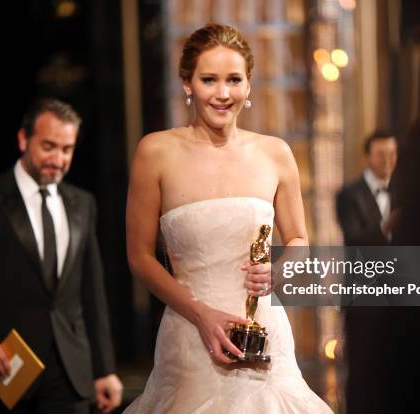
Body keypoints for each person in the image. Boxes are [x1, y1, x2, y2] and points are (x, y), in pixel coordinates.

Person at [124, 24, 332, 413]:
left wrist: (278, 271)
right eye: (209, 80)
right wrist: (201, 314)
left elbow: (299, 241)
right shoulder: (155, 152)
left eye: (234, 80)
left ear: (249, 85)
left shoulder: (276, 153)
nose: (223, 93)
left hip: (265, 338)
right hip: (188, 338)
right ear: (187, 83)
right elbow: (139, 258)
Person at [0, 98, 123, 414]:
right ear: (22, 140)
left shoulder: (83, 204)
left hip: (71, 374)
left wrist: (104, 368)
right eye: (48, 146)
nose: (57, 159)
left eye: (66, 149)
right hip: (4, 369)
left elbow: (91, 292)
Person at [336, 131, 398, 245]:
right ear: (368, 157)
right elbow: (353, 242)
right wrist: (385, 227)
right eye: (380, 155)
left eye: (392, 154)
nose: (387, 160)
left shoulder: (403, 190)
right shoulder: (348, 195)